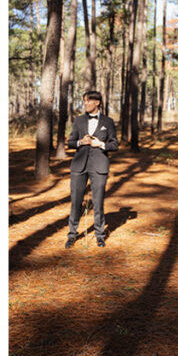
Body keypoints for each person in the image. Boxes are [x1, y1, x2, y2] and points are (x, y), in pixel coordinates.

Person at [66, 91, 118, 249]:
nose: (85, 104)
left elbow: (114, 144)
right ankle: (72, 235)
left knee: (98, 202)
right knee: (75, 202)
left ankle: (100, 235)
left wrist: (101, 145)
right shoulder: (79, 120)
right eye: (84, 102)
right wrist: (81, 142)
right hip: (78, 167)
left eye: (88, 101)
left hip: (99, 167)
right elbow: (70, 143)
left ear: (97, 103)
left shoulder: (108, 122)